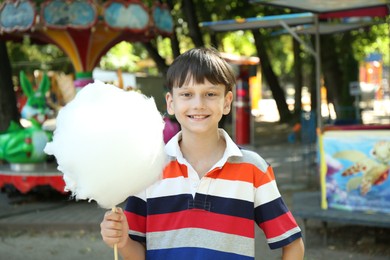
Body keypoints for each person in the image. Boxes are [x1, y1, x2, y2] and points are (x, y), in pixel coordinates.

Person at [100, 47, 305, 259]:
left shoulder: (253, 169)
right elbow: (137, 254)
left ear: (226, 102)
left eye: (210, 94)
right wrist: (122, 241)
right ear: (171, 103)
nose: (198, 104)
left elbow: (293, 245)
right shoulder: (148, 169)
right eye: (187, 94)